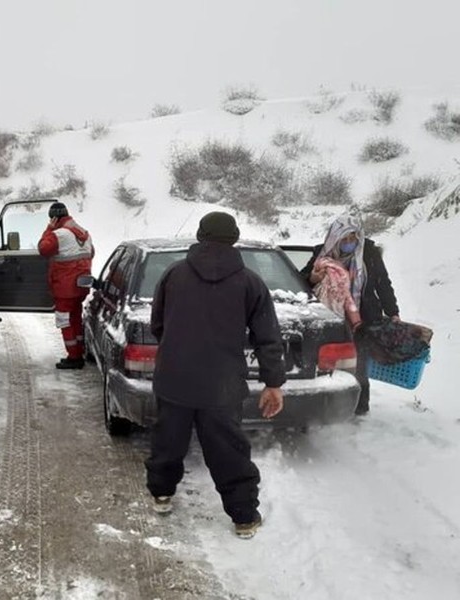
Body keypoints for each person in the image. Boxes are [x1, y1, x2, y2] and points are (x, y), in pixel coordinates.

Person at [145, 211, 285, 539]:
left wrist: (178, 348)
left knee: (168, 440)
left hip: (175, 378)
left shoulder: (173, 275)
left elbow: (157, 325)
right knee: (228, 450)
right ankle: (244, 517)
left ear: (200, 235)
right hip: (222, 385)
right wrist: (273, 382)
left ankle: (162, 494)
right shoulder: (251, 282)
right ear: (234, 238)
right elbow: (268, 336)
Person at [301, 214, 400, 415]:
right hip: (330, 316)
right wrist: (313, 277)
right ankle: (325, 407)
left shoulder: (369, 253)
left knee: (359, 363)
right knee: (327, 363)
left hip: (362, 318)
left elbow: (383, 283)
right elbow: (301, 280)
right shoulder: (322, 254)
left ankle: (359, 409)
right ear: (334, 239)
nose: (349, 243)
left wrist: (393, 312)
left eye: (353, 238)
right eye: (344, 239)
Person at [38, 202, 94, 369]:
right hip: (81, 285)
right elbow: (91, 253)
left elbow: (43, 249)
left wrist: (48, 229)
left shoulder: (59, 234)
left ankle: (74, 357)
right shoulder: (84, 233)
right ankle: (79, 349)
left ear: (54, 218)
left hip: (64, 288)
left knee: (65, 321)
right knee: (75, 318)